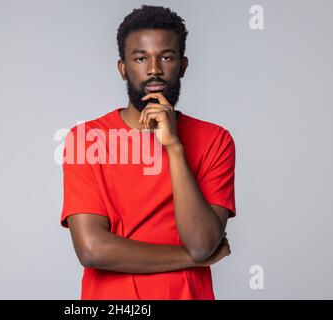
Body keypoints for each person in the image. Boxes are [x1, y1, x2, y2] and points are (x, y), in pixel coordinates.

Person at [60, 5, 236, 300]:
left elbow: (202, 243)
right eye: (141, 58)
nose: (154, 69)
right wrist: (192, 258)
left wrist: (174, 147)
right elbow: (92, 249)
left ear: (183, 65)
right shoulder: (86, 139)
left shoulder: (215, 140)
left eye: (166, 57)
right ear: (123, 68)